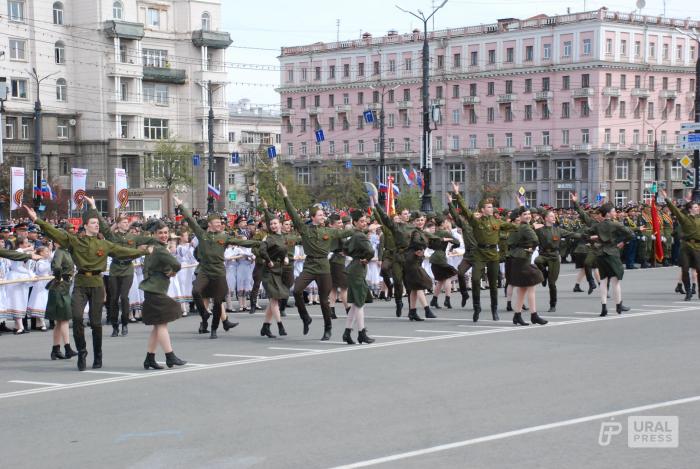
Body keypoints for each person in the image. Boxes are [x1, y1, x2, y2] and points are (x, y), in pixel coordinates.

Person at [24, 203, 147, 371]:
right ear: (86, 225)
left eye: (98, 223)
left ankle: (98, 354)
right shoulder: (75, 241)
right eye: (94, 222)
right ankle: (82, 352)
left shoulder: (103, 244)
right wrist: (37, 220)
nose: (97, 225)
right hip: (81, 283)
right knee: (77, 317)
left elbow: (123, 251)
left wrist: (144, 252)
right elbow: (56, 233)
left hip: (96, 284)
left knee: (96, 323)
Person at [278, 183, 354, 340]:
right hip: (310, 266)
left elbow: (347, 232)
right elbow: (293, 214)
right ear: (313, 217)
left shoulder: (328, 231)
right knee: (297, 290)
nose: (323, 217)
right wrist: (285, 196)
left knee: (324, 300)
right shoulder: (305, 230)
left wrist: (365, 228)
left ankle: (328, 328)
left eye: (323, 215)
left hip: (324, 267)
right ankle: (305, 318)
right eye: (320, 215)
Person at [173, 196, 256, 338]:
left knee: (218, 302)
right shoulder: (202, 234)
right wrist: (181, 205)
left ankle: (214, 329)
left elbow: (242, 242)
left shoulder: (223, 236)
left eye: (220, 222)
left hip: (218, 272)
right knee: (196, 292)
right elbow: (191, 221)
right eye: (217, 222)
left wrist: (259, 244)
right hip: (205, 270)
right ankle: (204, 314)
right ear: (210, 224)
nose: (219, 224)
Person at [91, 201, 159, 338]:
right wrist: (94, 207)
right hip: (115, 268)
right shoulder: (113, 236)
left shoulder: (133, 237)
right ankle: (115, 326)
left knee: (124, 297)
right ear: (117, 224)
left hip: (127, 268)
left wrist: (153, 246)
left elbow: (151, 240)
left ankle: (125, 324)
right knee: (114, 298)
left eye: (127, 222)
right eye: (123, 222)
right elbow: (104, 227)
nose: (126, 224)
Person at [450, 182, 516, 322]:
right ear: (482, 209)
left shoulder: (498, 222)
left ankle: (494, 309)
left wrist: (524, 222)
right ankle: (477, 307)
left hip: (493, 254)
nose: (491, 209)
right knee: (474, 280)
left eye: (492, 207)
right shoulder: (475, 221)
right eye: (488, 207)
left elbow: (511, 226)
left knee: (493, 283)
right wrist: (457, 194)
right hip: (479, 253)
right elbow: (465, 210)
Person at [140, 220, 187, 370]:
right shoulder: (160, 249)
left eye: (166, 232)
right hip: (155, 289)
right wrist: (173, 272)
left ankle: (149, 358)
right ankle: (170, 356)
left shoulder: (152, 248)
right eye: (160, 233)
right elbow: (177, 265)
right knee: (162, 323)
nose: (164, 235)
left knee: (158, 325)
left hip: (153, 288)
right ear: (154, 234)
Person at [585, 201, 634, 316]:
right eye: (613, 211)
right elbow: (631, 234)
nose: (615, 213)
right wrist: (623, 242)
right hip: (612, 253)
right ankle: (618, 305)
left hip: (600, 254)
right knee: (615, 281)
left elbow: (585, 234)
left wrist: (594, 240)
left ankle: (604, 308)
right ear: (608, 214)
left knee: (603, 280)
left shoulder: (597, 225)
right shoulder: (615, 224)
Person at [508, 207, 548, 326]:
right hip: (523, 259)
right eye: (525, 214)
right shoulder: (525, 227)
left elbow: (510, 242)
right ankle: (533, 315)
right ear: (519, 216)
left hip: (517, 258)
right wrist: (531, 248)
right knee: (531, 285)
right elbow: (535, 240)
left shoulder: (518, 227)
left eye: (529, 214)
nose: (528, 216)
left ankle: (517, 315)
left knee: (522, 289)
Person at [534, 209, 579, 312]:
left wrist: (586, 236)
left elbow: (572, 234)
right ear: (545, 218)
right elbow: (530, 233)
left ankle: (553, 304)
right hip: (544, 254)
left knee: (552, 283)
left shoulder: (558, 230)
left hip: (554, 256)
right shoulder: (540, 230)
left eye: (554, 216)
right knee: (537, 261)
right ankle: (544, 275)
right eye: (551, 216)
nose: (554, 217)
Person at [343, 210, 376, 344]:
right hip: (357, 269)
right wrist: (366, 259)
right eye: (361, 221)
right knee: (359, 302)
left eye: (365, 221)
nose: (364, 223)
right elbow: (371, 251)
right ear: (355, 222)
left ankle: (347, 332)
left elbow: (345, 249)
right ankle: (361, 332)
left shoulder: (354, 235)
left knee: (356, 303)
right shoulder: (360, 236)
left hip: (354, 267)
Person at [44, 233, 78, 360]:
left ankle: (56, 349)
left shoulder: (66, 251)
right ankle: (67, 348)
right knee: (64, 318)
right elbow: (56, 267)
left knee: (60, 321)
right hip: (60, 287)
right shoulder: (59, 251)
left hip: (63, 286)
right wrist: (61, 277)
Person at [663, 190, 700, 300]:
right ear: (690, 209)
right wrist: (666, 198)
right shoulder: (684, 218)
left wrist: (689, 200)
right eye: (695, 207)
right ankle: (688, 291)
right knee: (684, 270)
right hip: (686, 247)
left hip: (698, 247)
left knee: (699, 270)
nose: (698, 208)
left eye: (698, 207)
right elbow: (675, 210)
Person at [258, 216, 289, 338]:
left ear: (280, 224)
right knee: (274, 298)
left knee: (273, 299)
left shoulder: (282, 237)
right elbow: (262, 250)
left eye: (275, 223)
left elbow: (284, 250)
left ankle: (265, 327)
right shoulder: (270, 238)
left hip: (278, 270)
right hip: (269, 271)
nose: (273, 226)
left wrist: (285, 258)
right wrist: (268, 260)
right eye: (271, 224)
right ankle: (280, 325)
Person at [0, 246, 42, 334]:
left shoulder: (24, 270)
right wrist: (29, 252)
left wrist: (33, 278)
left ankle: (18, 326)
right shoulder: (16, 270)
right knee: (16, 304)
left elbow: (13, 254)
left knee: (19, 305)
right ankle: (20, 326)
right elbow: (14, 253)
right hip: (14, 288)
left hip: (20, 289)